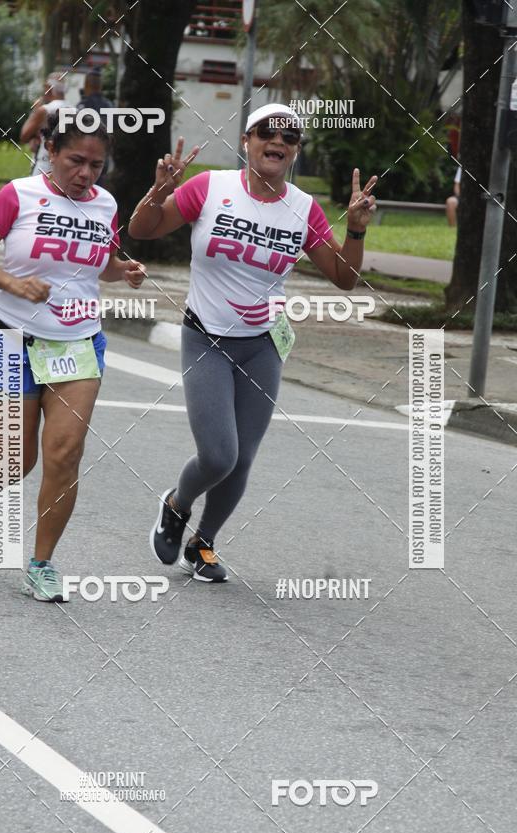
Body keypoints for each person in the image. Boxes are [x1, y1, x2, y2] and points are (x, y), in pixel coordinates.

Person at [129, 102, 377, 583]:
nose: (278, 142)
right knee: (218, 454)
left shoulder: (303, 208)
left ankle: (203, 544)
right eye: (268, 133)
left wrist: (357, 228)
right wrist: (161, 189)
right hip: (206, 337)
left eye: (289, 138)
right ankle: (177, 504)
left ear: (296, 152)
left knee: (242, 460)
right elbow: (142, 230)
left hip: (262, 344)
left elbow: (343, 278)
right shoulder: (210, 188)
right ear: (247, 140)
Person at [0, 114, 145, 601]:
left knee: (64, 455)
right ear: (51, 151)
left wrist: (123, 270)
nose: (86, 174)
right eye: (76, 161)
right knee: (16, 459)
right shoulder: (17, 195)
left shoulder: (105, 204)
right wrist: (14, 282)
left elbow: (99, 267)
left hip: (79, 343)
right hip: (10, 340)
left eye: (96, 165)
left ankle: (41, 563)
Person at [20, 73, 70, 176]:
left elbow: (24, 135)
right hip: (64, 165)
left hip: (44, 163)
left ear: (49, 88)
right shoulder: (75, 109)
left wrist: (35, 110)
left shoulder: (45, 110)